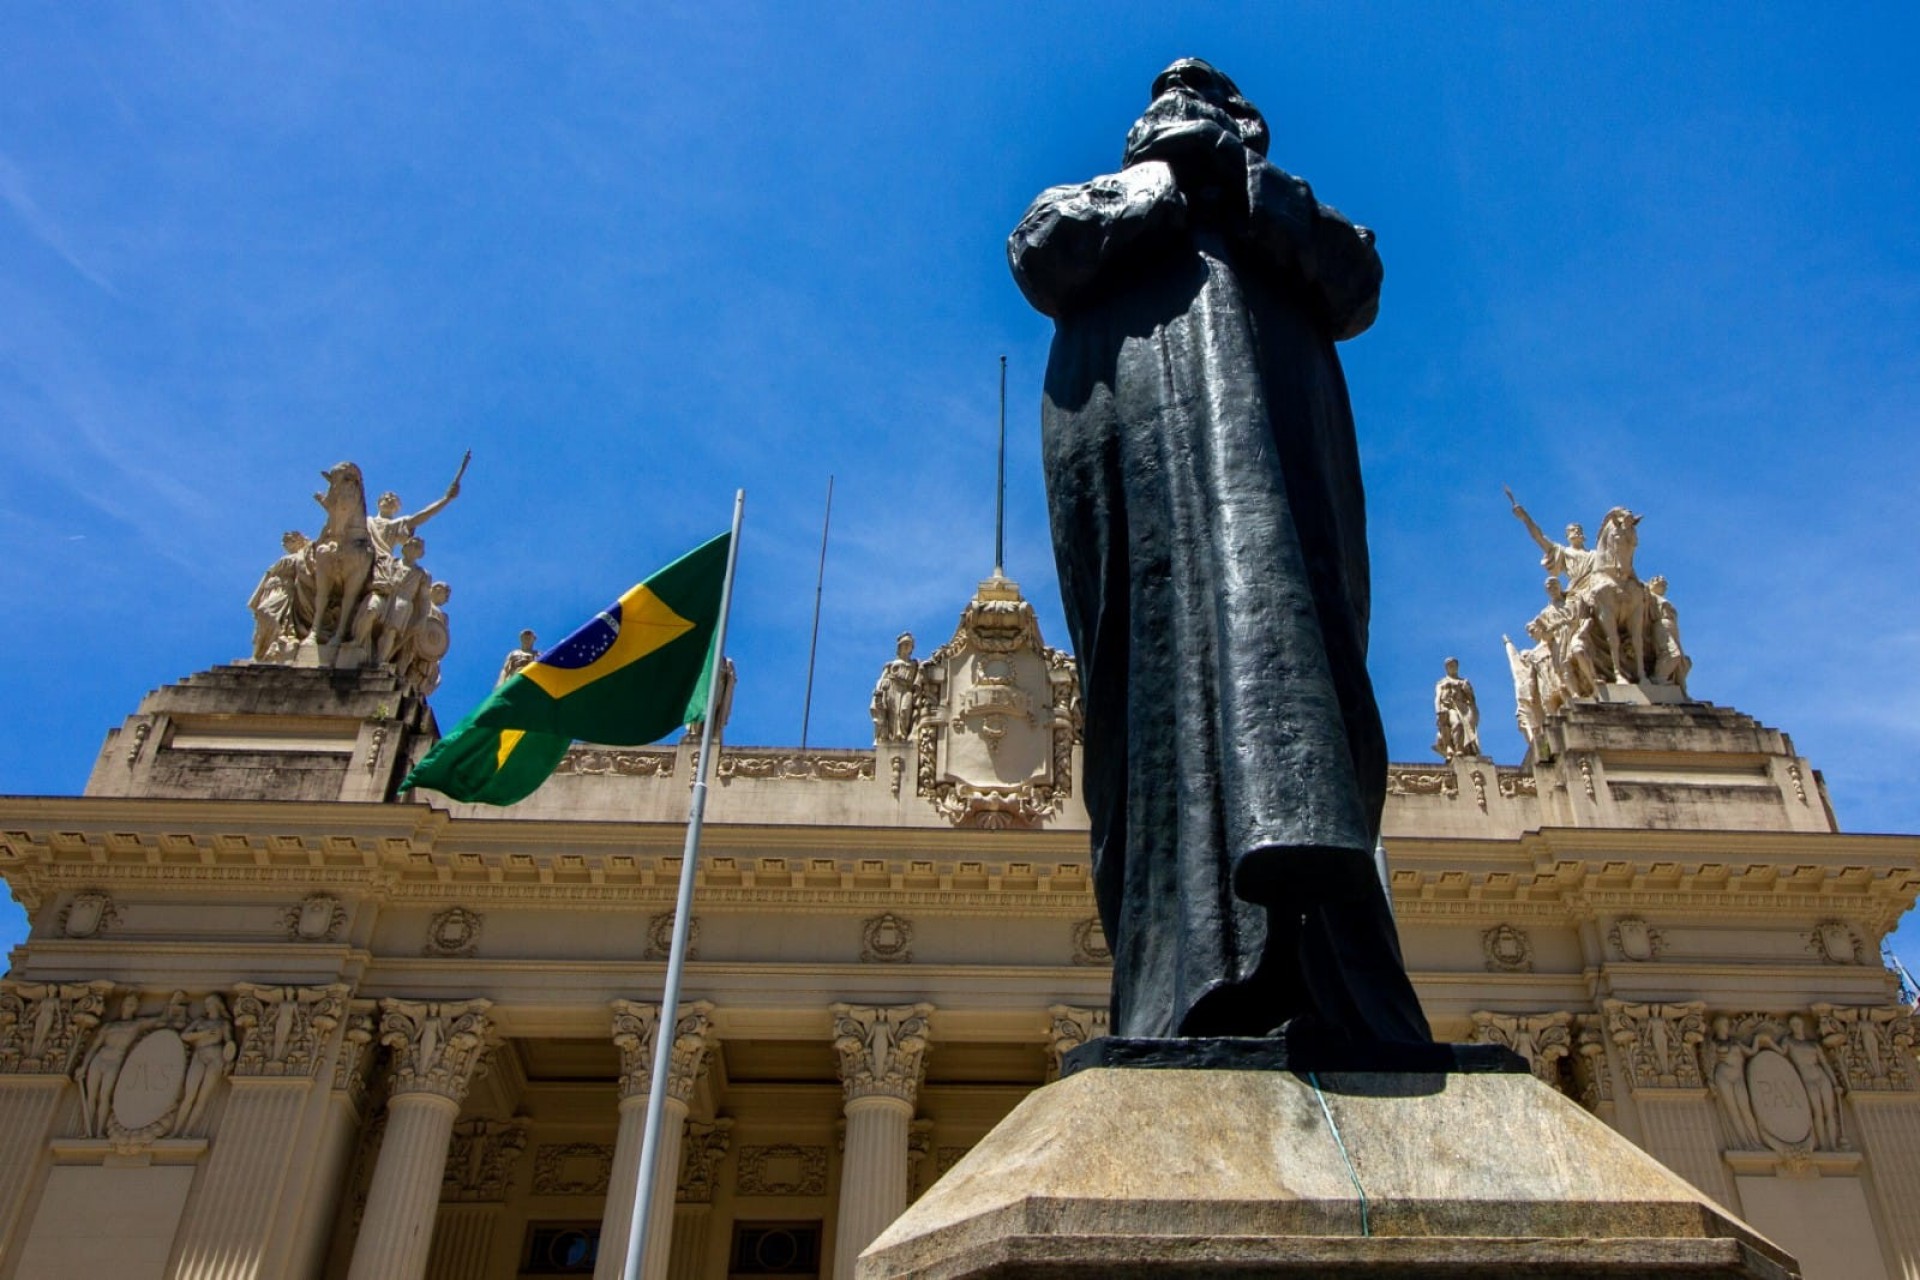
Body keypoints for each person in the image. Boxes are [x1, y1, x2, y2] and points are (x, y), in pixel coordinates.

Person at [1008, 59, 1429, 1044]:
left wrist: (1241, 187)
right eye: (1168, 98)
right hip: (1147, 503)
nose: (1185, 101)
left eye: (1210, 96)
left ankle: (1326, 971)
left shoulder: (1282, 225)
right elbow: (1040, 250)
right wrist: (1165, 184)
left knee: (1307, 695)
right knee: (1153, 715)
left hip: (1282, 495)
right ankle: (1185, 983)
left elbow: (1357, 279)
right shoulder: (1096, 209)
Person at [1432, 658, 1481, 759]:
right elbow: (1437, 697)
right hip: (1449, 708)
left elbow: (1471, 699)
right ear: (1446, 668)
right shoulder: (1442, 682)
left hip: (1464, 709)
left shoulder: (1463, 681)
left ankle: (1462, 750)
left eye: (1454, 665)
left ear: (1457, 667)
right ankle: (1455, 748)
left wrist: (1467, 690)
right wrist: (1438, 711)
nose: (1452, 667)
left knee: (1466, 729)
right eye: (1449, 665)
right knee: (1456, 723)